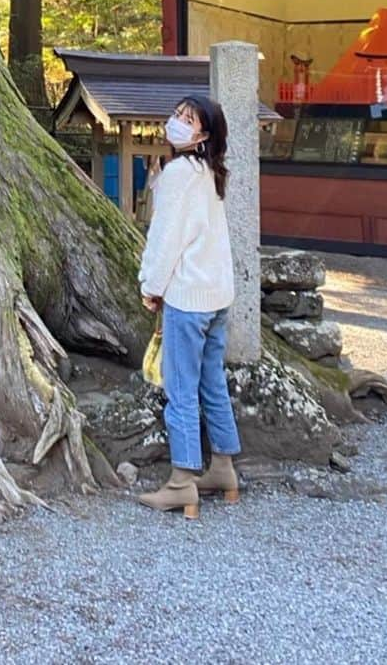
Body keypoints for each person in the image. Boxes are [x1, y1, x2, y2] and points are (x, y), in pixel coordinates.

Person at [137, 94, 241, 518]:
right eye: (177, 114)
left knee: (180, 389)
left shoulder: (179, 174)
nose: (177, 122)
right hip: (217, 295)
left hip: (188, 297)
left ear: (203, 134)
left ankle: (182, 481)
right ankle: (223, 468)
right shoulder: (211, 173)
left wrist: (150, 285)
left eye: (188, 119)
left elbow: (165, 239)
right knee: (212, 383)